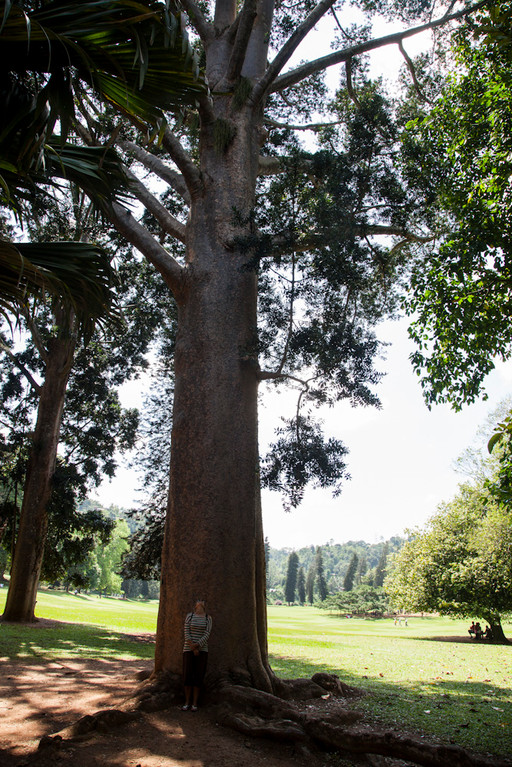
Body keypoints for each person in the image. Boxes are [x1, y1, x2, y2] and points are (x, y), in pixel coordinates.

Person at [182, 599, 212, 711]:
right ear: (195, 605)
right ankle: (187, 702)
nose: (200, 603)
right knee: (187, 675)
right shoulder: (189, 616)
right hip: (188, 649)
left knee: (198, 676)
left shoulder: (208, 618)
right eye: (198, 601)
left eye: (202, 601)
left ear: (205, 605)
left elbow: (207, 633)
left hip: (202, 650)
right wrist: (192, 646)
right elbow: (186, 631)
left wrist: (197, 645)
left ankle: (195, 703)